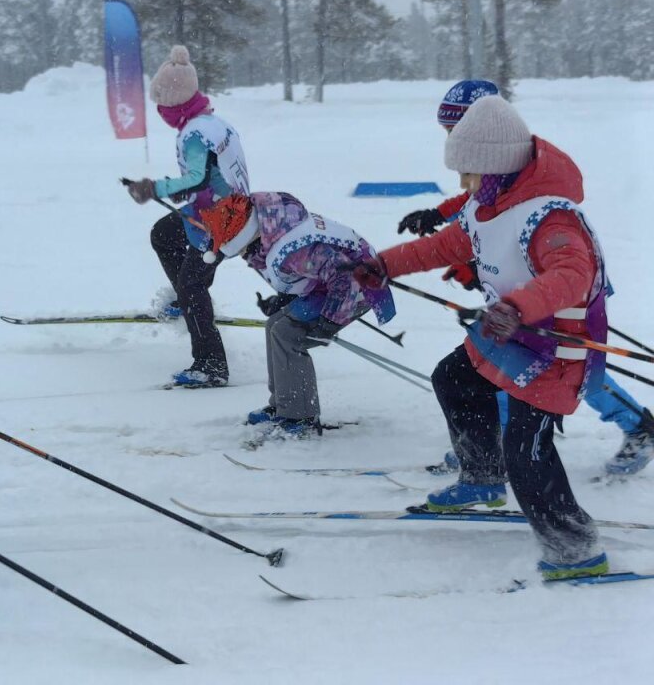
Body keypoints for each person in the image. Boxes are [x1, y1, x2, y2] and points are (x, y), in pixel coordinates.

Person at [353, 95, 609, 579]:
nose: (464, 186)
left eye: (470, 174)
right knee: (454, 378)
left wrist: (517, 306)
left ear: (498, 165)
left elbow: (574, 273)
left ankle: (575, 551)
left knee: (527, 450)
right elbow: (445, 245)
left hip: (554, 347)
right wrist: (384, 264)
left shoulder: (549, 217)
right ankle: (482, 478)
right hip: (509, 334)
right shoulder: (487, 205)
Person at [400, 80, 653, 477]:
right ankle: (486, 451)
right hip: (519, 286)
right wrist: (440, 216)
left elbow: (514, 220)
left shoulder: (512, 159)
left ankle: (637, 426)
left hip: (559, 289)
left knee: (569, 367)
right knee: (511, 363)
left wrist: (477, 264)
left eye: (454, 129)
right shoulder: (488, 159)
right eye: (447, 131)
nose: (450, 139)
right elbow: (477, 206)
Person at [199, 192, 395, 443]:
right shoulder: (272, 221)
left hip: (359, 288)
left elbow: (343, 276)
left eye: (242, 249)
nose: (245, 254)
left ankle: (299, 416)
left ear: (244, 236)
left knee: (288, 334)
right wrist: (285, 298)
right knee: (275, 325)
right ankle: (284, 403)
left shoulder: (294, 250)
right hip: (333, 285)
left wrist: (331, 320)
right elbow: (312, 272)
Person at [124, 45, 250, 388]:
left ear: (175, 103)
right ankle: (185, 301)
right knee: (164, 234)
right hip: (224, 209)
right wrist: (186, 191)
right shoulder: (211, 121)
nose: (160, 111)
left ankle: (211, 366)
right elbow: (211, 173)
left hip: (222, 222)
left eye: (161, 104)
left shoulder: (193, 133)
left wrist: (156, 188)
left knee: (193, 284)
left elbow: (195, 176)